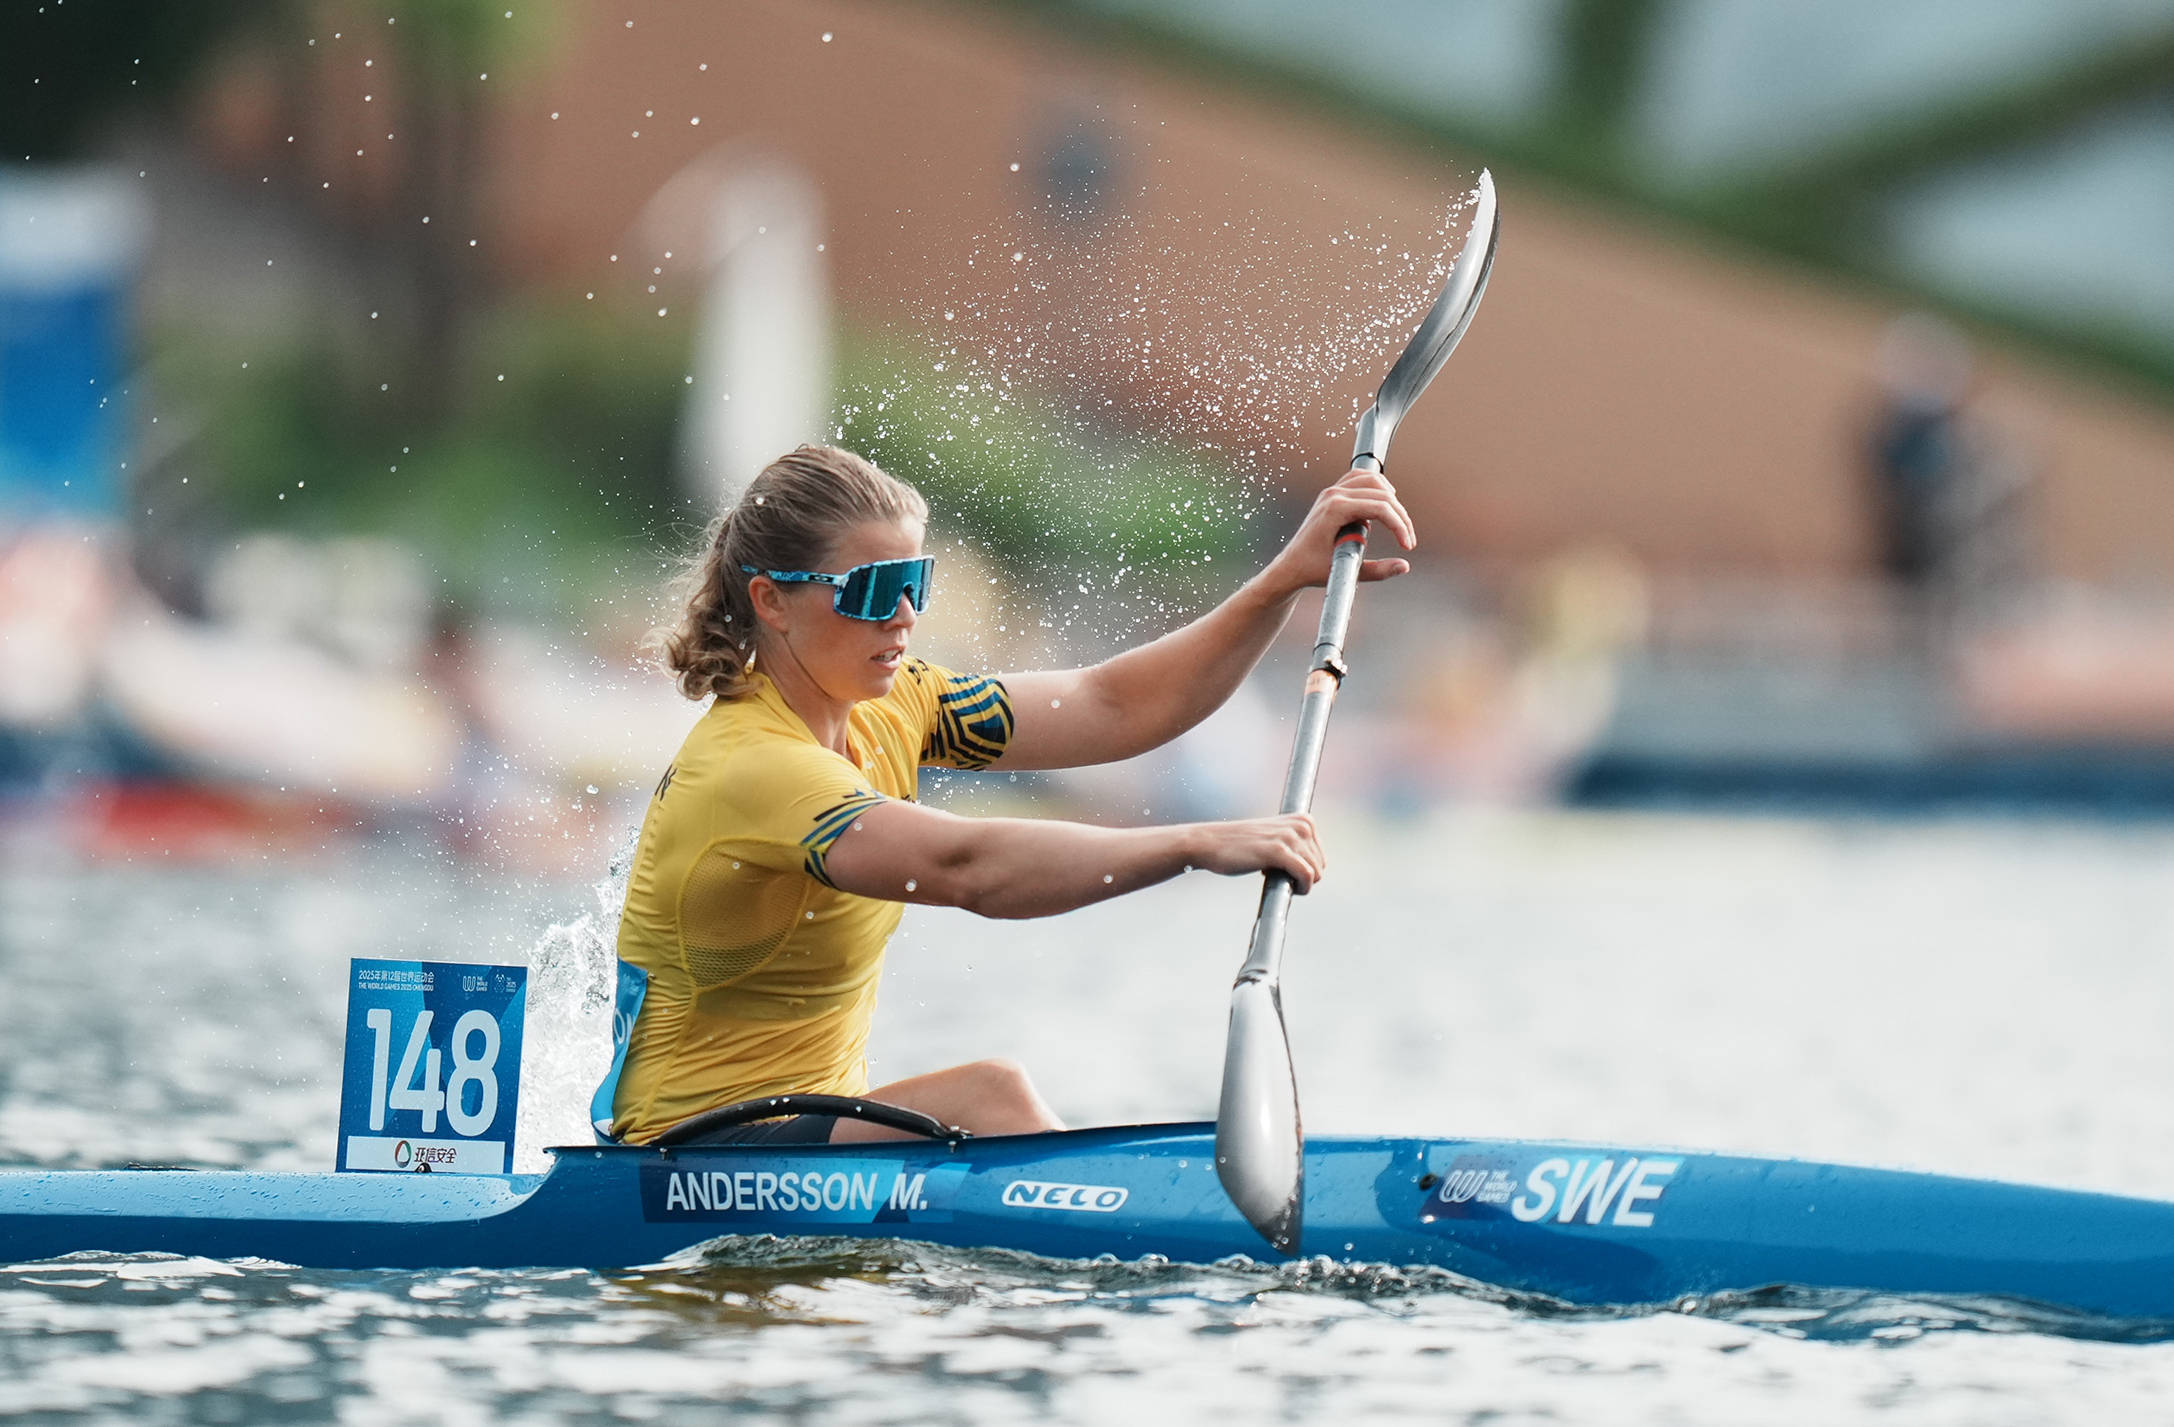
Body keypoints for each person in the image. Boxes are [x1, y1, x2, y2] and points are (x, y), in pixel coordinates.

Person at [598, 444, 1415, 1146]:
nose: (905, 616)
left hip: (800, 1135)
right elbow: (966, 866)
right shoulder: (752, 767)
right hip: (684, 1152)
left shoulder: (899, 706)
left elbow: (1113, 706)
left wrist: (1283, 581)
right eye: (873, 590)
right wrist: (1195, 843)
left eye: (915, 581)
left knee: (987, 1107)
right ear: (771, 599)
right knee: (989, 1096)